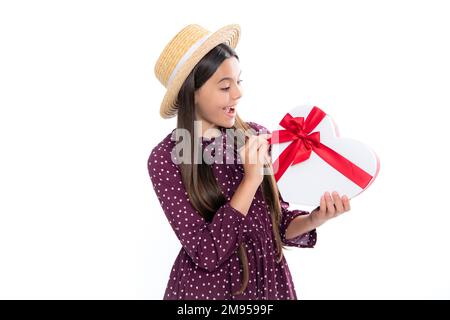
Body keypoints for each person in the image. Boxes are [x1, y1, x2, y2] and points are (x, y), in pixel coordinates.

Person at [147, 23, 351, 300]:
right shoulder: (165, 159)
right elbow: (206, 252)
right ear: (191, 92)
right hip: (209, 293)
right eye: (224, 86)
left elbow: (275, 226)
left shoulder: (256, 137)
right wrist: (251, 179)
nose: (238, 94)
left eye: (238, 82)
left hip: (269, 284)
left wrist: (315, 218)